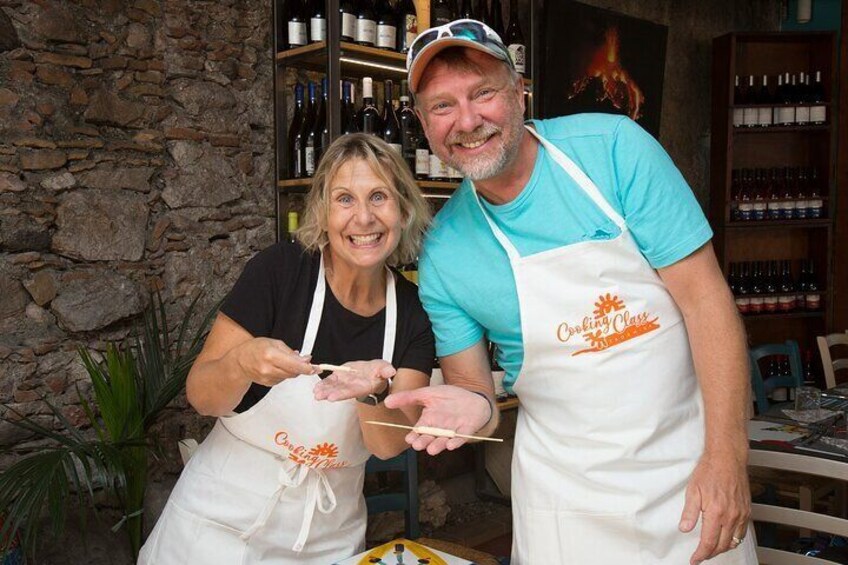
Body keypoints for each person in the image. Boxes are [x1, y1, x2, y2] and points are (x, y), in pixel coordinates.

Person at [384, 19, 757, 565]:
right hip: (564, 507)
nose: (467, 120)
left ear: (519, 91)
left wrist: (727, 459)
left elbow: (707, 303)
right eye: (442, 105)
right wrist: (471, 405)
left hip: (690, 476)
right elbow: (476, 390)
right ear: (422, 122)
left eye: (483, 93)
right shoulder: (445, 252)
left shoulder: (614, 151)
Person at [138, 133, 434, 564]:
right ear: (323, 212)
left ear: (404, 210)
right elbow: (201, 396)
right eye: (345, 199)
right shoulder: (280, 272)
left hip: (329, 537)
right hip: (222, 526)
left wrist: (370, 395)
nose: (364, 217)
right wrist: (241, 363)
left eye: (379, 197)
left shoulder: (413, 314)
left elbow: (390, 445)